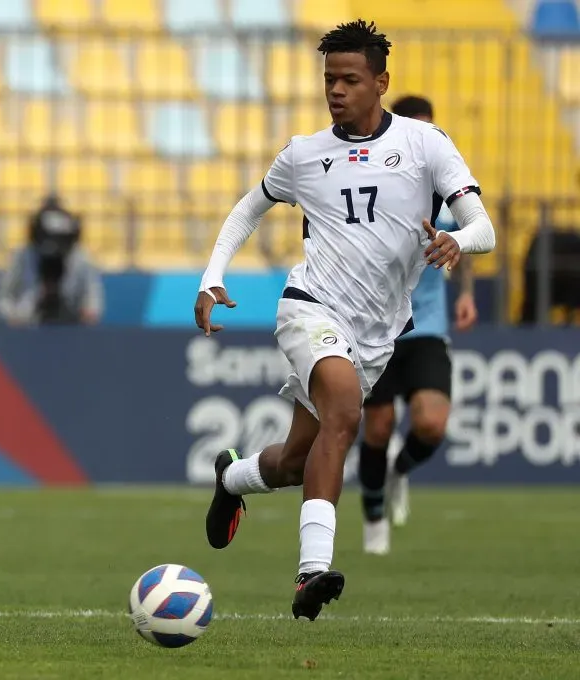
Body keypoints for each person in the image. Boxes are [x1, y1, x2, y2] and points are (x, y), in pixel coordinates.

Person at [193, 20, 495, 621]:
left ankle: (233, 479)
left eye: (349, 79)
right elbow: (249, 207)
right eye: (329, 78)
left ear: (380, 82)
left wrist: (459, 241)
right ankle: (312, 572)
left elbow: (483, 226)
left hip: (378, 333)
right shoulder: (304, 154)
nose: (335, 90)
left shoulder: (425, 144)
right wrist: (212, 274)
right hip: (310, 307)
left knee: (297, 461)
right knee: (345, 416)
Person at [358, 95, 478, 556]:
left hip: (427, 327)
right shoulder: (372, 184)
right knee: (377, 427)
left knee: (430, 424)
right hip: (379, 328)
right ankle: (373, 520)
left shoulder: (446, 189)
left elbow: (465, 241)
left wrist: (465, 292)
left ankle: (399, 471)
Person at [0, 194, 104, 326]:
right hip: (28, 325)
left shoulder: (81, 258)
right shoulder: (21, 256)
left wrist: (89, 311)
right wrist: (13, 315)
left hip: (71, 326)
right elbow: (2, 294)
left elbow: (93, 294)